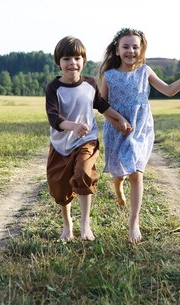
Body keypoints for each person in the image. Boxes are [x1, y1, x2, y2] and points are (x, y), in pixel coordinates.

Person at [98, 28, 180, 243]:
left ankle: (134, 222)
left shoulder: (144, 71)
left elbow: (168, 90)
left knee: (136, 172)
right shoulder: (109, 76)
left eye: (135, 47)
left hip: (140, 130)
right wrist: (118, 123)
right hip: (116, 127)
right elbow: (102, 106)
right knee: (120, 172)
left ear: (141, 50)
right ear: (117, 50)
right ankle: (117, 185)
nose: (131, 50)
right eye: (126, 46)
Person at [45, 35, 131, 241]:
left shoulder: (90, 84)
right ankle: (67, 225)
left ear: (83, 61)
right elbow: (53, 117)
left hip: (86, 140)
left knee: (84, 173)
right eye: (66, 59)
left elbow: (102, 106)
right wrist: (72, 126)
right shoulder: (54, 88)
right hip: (61, 143)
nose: (72, 63)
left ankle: (85, 224)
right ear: (59, 63)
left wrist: (120, 119)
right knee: (59, 186)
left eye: (77, 58)